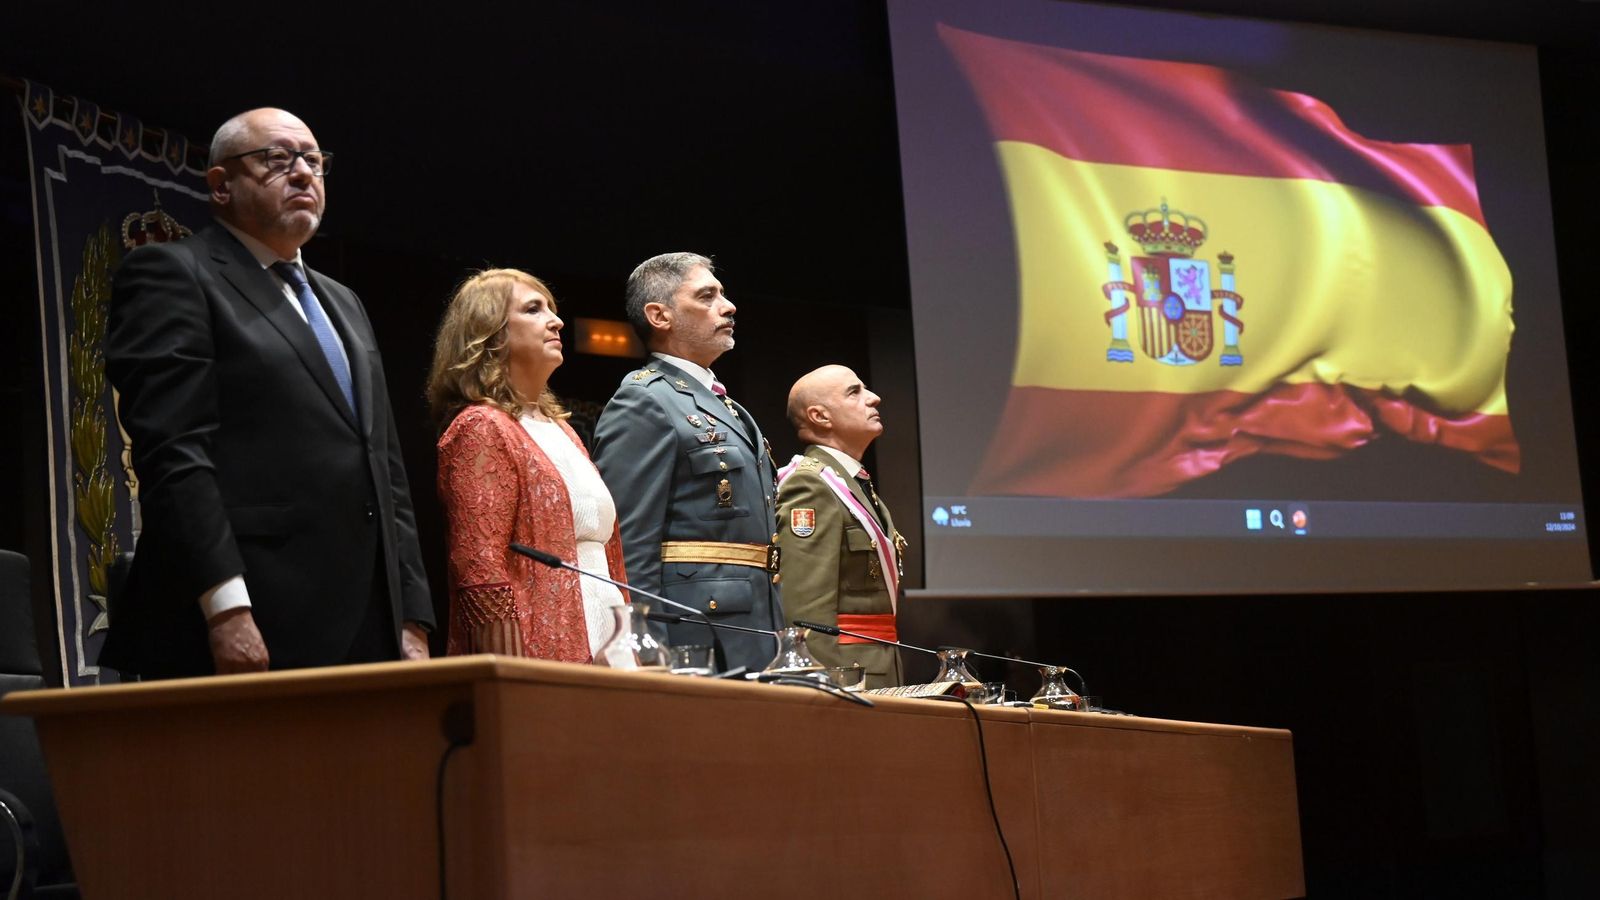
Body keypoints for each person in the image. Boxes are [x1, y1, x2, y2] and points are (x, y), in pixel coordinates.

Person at [103, 108, 433, 677]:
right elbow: (174, 454)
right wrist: (225, 609)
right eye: (277, 159)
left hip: (370, 624)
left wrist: (411, 616)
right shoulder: (172, 274)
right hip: (251, 617)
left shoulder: (343, 301)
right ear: (221, 185)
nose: (303, 173)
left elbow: (385, 469)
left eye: (314, 160)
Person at [591, 253, 783, 673]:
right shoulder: (644, 400)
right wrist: (646, 651)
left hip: (755, 625)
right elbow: (628, 546)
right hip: (693, 637)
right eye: (707, 295)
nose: (728, 306)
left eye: (723, 294)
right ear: (660, 315)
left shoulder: (726, 405)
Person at [428, 269, 630, 662]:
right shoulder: (480, 427)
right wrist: (507, 678)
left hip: (608, 641)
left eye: (552, 310)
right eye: (533, 309)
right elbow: (480, 570)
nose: (555, 321)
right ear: (491, 334)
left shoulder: (563, 432)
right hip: (542, 654)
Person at [774, 365, 906, 689]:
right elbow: (806, 615)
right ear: (820, 416)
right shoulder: (811, 484)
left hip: (878, 666)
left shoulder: (854, 483)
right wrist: (825, 688)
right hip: (846, 677)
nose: (874, 398)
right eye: (854, 392)